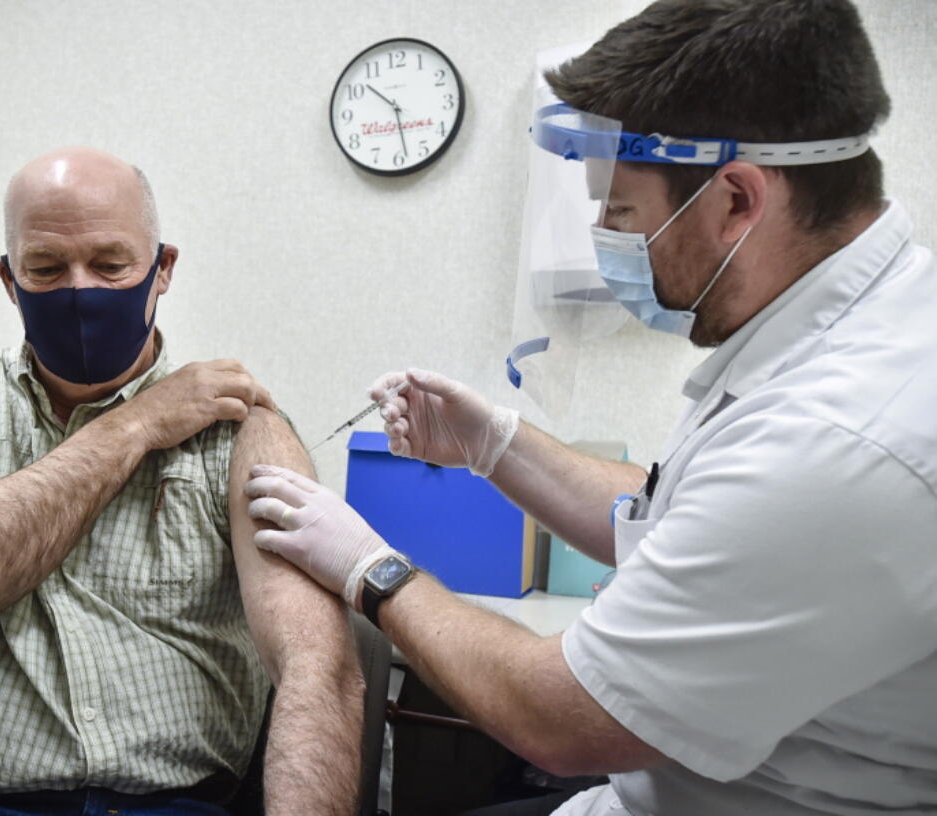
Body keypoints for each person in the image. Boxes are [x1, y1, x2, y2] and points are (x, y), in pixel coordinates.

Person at [244, 1, 937, 814]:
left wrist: (372, 570)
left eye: (620, 212)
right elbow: (673, 519)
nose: (604, 236)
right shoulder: (858, 321)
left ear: (738, 202)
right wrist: (496, 444)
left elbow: (556, 717)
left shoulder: (836, 440)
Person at [0, 147, 364, 816]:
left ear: (163, 268)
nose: (79, 290)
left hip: (164, 804)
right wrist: (136, 424)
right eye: (46, 268)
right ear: (8, 279)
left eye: (112, 265)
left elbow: (316, 667)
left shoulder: (235, 428)